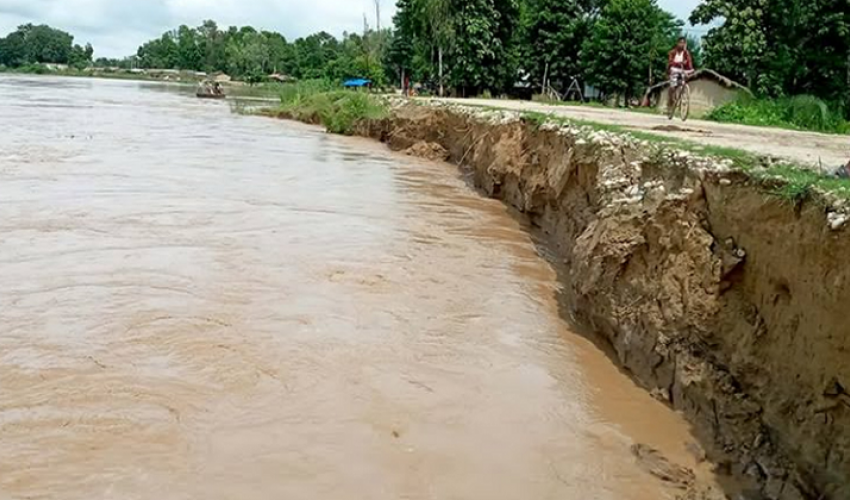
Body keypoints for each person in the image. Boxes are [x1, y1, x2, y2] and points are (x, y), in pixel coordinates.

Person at [667, 36, 695, 112]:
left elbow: (689, 63)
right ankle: (671, 100)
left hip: (683, 70)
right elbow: (670, 62)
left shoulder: (686, 53)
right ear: (677, 43)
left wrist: (691, 69)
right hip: (674, 69)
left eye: (683, 43)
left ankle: (682, 96)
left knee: (683, 81)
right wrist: (679, 63)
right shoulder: (672, 52)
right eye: (680, 43)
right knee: (672, 86)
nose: (682, 44)